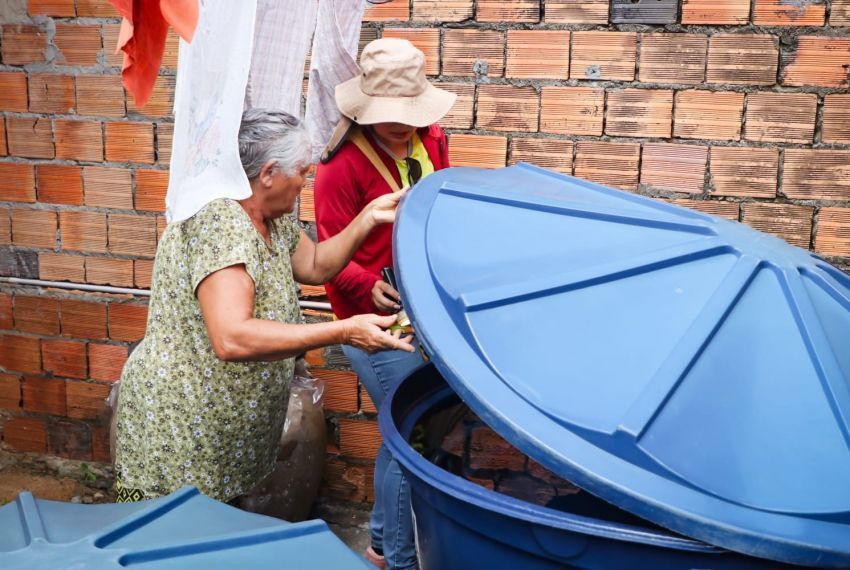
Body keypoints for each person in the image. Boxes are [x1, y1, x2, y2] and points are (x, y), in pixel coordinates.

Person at [113, 109, 413, 504]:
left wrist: (368, 217)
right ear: (269, 173)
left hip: (223, 425)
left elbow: (316, 264)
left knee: (214, 536)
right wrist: (342, 330)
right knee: (168, 542)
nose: (305, 184)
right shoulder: (220, 223)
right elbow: (232, 338)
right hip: (182, 423)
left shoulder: (270, 216)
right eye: (302, 173)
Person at [314, 38, 455, 570]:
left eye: (408, 111)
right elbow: (324, 252)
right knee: (412, 438)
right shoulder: (339, 166)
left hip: (423, 313)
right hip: (368, 322)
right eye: (389, 114)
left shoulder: (432, 136)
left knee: (407, 431)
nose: (402, 124)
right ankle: (398, 560)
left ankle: (379, 543)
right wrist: (362, 281)